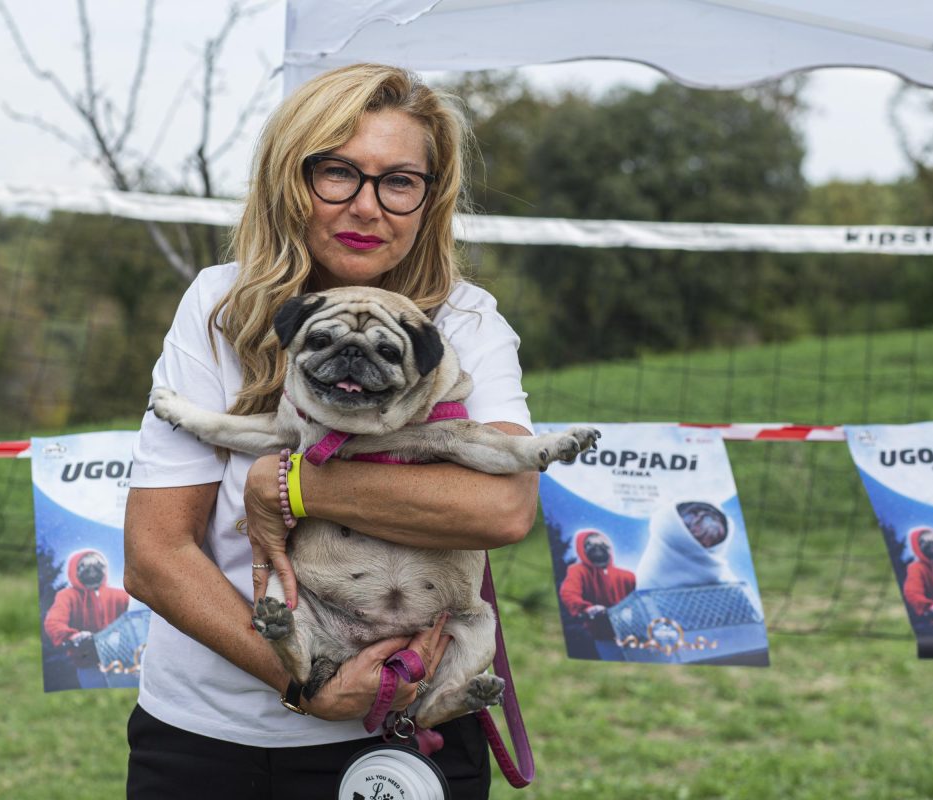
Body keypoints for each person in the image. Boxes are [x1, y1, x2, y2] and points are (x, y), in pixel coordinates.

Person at [122, 63, 537, 799]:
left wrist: (291, 482)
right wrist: (303, 681)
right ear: (290, 178)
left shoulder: (467, 322)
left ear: (428, 198)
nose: (368, 206)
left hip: (409, 737)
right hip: (210, 736)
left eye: (399, 181)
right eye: (338, 173)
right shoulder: (221, 307)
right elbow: (155, 555)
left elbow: (503, 507)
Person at [43, 549, 131, 688]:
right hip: (88, 661)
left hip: (122, 659)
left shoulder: (120, 596)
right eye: (84, 566)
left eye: (97, 565)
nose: (91, 571)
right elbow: (54, 622)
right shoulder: (67, 596)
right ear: (74, 570)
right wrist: (73, 636)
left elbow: (139, 614)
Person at [558, 529, 636, 644]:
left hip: (630, 631)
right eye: (590, 544)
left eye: (602, 544)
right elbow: (569, 593)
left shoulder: (627, 576)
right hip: (599, 633)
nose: (597, 547)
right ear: (581, 548)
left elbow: (639, 599)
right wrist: (586, 608)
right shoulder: (577, 571)